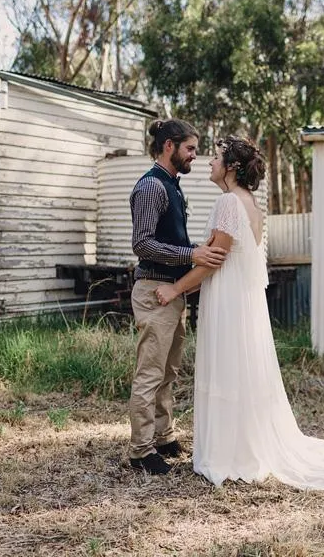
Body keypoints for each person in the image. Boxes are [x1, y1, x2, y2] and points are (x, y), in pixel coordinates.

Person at [154, 136, 324, 490]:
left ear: (231, 168)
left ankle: (231, 453)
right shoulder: (251, 203)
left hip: (227, 300)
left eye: (217, 157)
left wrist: (175, 289)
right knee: (239, 370)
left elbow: (214, 259)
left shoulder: (227, 203)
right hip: (243, 300)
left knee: (227, 368)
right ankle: (240, 443)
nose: (210, 162)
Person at [128, 119, 228, 475]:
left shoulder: (172, 186)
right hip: (153, 291)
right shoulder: (152, 187)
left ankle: (164, 436)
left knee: (168, 371)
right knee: (149, 373)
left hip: (172, 293)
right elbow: (142, 243)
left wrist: (195, 260)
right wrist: (191, 256)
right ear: (169, 146)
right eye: (190, 149)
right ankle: (140, 451)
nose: (194, 156)